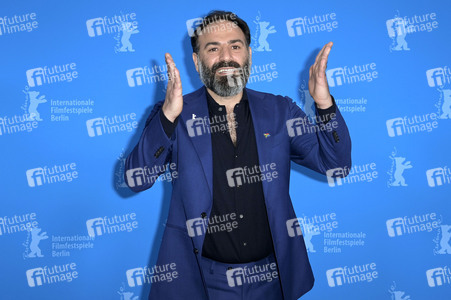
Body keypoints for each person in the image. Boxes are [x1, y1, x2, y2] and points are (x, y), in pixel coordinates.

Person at [124, 10, 351, 300]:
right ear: (196, 61)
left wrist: (323, 103)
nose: (226, 56)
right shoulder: (173, 114)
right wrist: (168, 117)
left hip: (271, 278)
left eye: (235, 45)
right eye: (213, 48)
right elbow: (135, 179)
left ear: (248, 54)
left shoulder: (280, 111)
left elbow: (337, 165)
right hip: (202, 280)